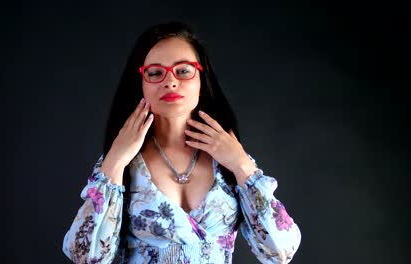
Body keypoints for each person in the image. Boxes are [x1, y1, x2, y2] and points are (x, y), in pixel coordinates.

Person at [62, 21, 301, 264]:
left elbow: (280, 250)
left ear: (201, 76)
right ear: (141, 82)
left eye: (184, 70)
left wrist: (241, 165)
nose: (171, 82)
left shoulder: (230, 158)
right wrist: (114, 161)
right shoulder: (121, 162)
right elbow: (86, 256)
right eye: (155, 73)